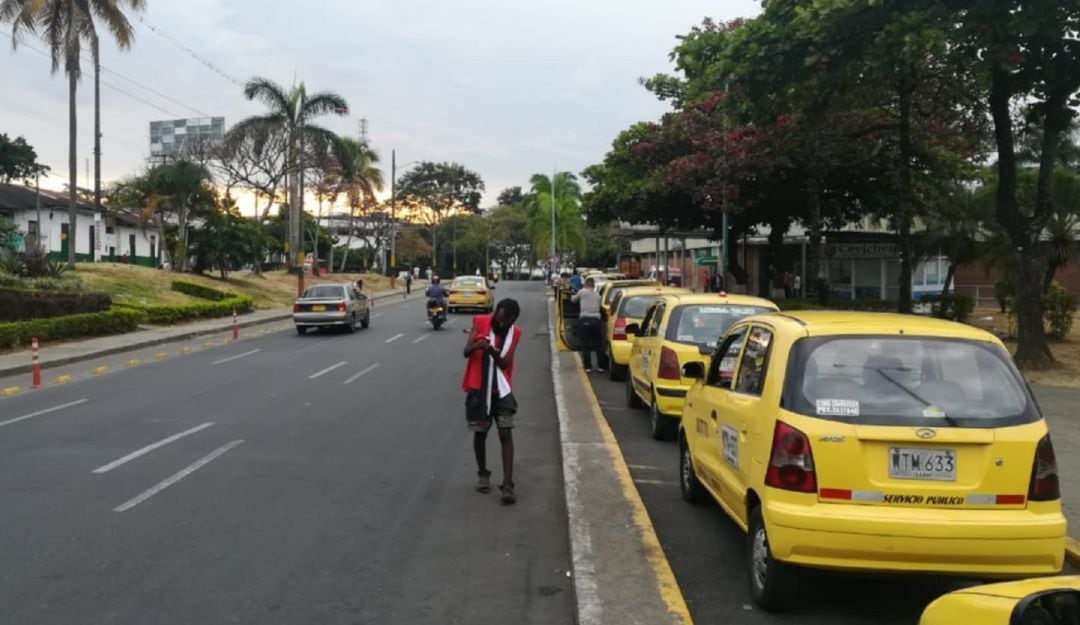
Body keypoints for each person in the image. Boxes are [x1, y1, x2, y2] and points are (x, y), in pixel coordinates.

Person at [463, 298, 523, 504]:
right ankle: (483, 474)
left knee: (505, 433)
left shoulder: (515, 333)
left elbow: (506, 364)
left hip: (502, 391)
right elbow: (465, 352)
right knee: (480, 433)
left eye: (509, 320)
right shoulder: (480, 322)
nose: (504, 323)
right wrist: (478, 345)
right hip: (479, 389)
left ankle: (507, 484)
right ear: (497, 312)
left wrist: (493, 354)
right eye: (502, 318)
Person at [571, 277, 608, 373]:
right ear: (594, 285)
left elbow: (573, 300)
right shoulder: (598, 296)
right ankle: (601, 366)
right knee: (599, 345)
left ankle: (588, 367)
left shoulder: (582, 292)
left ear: (586, 284)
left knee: (585, 345)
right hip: (596, 321)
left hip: (584, 320)